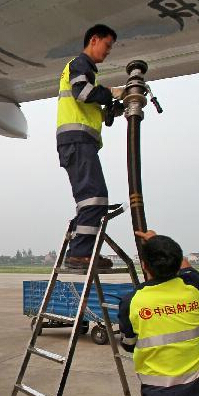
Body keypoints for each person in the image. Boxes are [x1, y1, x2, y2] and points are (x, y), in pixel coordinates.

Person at [118, 230, 199, 396]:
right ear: (177, 261)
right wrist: (155, 239)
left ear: (144, 265)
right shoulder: (195, 288)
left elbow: (128, 344)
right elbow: (188, 268)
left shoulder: (132, 301)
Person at [56, 24, 125, 269]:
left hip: (78, 143)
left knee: (91, 198)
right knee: (94, 198)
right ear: (94, 40)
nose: (108, 52)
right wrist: (111, 93)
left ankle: (78, 247)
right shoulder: (80, 64)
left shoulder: (85, 71)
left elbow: (88, 103)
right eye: (107, 45)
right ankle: (80, 254)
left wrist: (111, 107)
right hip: (77, 142)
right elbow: (83, 93)